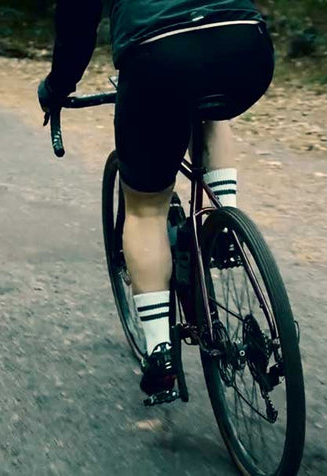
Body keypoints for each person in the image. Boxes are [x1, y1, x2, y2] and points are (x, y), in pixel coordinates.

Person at [37, 0, 274, 400]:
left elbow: (78, 17)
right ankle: (222, 223)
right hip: (245, 42)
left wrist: (57, 87)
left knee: (146, 210)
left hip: (157, 55)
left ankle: (160, 353)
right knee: (212, 106)